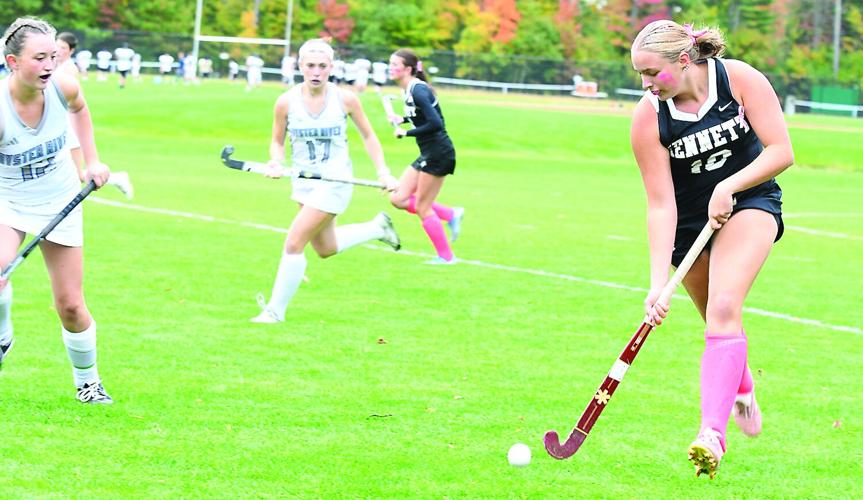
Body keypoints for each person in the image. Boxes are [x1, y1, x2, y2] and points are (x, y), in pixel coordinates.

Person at [630, 20, 794, 479]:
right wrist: (657, 284)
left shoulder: (739, 79)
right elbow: (660, 204)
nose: (645, 84)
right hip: (688, 226)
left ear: (683, 60)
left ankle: (711, 435)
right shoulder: (649, 116)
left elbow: (781, 150)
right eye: (639, 74)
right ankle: (741, 386)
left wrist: (731, 185)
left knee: (724, 305)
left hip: (750, 200)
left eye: (651, 72)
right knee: (717, 320)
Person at [0, 17, 116, 403]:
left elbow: (80, 111)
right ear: (13, 62)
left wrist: (92, 162)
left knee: (69, 304)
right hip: (10, 201)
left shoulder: (64, 85)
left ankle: (88, 381)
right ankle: (2, 338)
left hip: (60, 199)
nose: (49, 65)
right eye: (39, 58)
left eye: (53, 56)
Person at [251, 38, 400, 323]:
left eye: (322, 66)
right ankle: (376, 228)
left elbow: (369, 136)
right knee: (325, 248)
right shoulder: (285, 102)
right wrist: (275, 162)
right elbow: (276, 141)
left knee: (294, 242)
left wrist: (383, 172)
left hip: (336, 179)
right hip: (304, 181)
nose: (316, 72)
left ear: (331, 67)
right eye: (310, 66)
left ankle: (275, 311)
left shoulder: (345, 99)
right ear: (300, 66)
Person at [386, 49, 463, 265]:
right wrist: (402, 119)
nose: (391, 68)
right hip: (428, 152)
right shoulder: (409, 91)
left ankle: (447, 257)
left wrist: (406, 132)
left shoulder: (418, 91)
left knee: (422, 207)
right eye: (390, 64)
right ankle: (450, 214)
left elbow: (436, 123)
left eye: (395, 64)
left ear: (408, 69)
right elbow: (423, 119)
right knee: (398, 198)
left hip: (439, 153)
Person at [56, 33, 134, 199]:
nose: (59, 50)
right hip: (58, 124)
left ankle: (117, 178)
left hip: (67, 125)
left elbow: (72, 102)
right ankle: (117, 178)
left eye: (63, 48)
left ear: (71, 50)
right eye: (57, 46)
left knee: (77, 175)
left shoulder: (69, 69)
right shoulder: (54, 65)